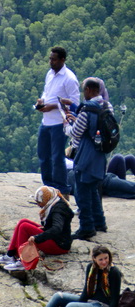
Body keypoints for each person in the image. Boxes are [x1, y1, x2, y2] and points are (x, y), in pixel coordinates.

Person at [66, 79, 109, 239]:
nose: (84, 93)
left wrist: (66, 124)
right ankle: (99, 222)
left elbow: (76, 133)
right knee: (93, 190)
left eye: (85, 90)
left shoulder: (86, 110)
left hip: (86, 155)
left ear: (90, 90)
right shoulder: (106, 106)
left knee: (82, 191)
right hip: (100, 154)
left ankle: (86, 227)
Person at [0, 186, 73, 272]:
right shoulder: (54, 202)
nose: (38, 204)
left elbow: (57, 229)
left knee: (24, 227)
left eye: (39, 202)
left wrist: (37, 237)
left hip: (59, 245)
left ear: (46, 200)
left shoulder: (58, 210)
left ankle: (23, 262)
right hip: (55, 239)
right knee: (22, 222)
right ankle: (10, 255)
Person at [35, 47, 80, 196]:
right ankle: (48, 188)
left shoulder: (69, 78)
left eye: (54, 59)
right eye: (50, 58)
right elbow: (47, 93)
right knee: (43, 156)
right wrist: (42, 101)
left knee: (57, 158)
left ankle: (62, 189)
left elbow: (75, 104)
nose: (51, 62)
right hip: (46, 122)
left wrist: (53, 106)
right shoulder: (50, 74)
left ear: (62, 60)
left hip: (59, 123)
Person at [67, 155, 135, 199]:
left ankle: (122, 184)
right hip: (99, 182)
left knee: (125, 158)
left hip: (100, 177)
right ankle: (122, 185)